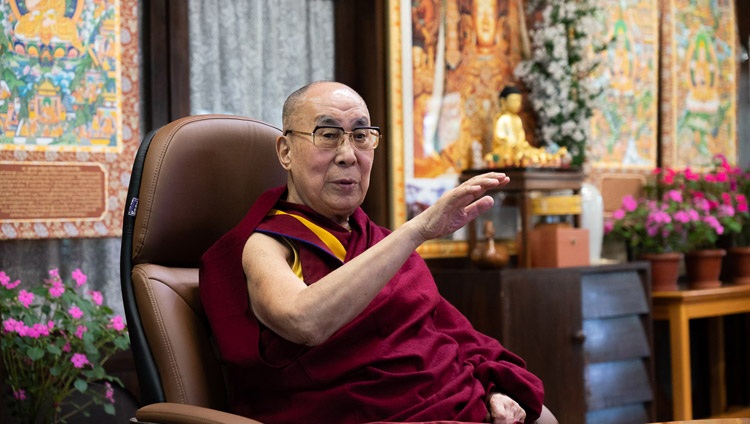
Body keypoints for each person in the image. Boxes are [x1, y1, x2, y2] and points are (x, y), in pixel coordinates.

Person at [199, 81, 545, 424]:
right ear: (286, 152)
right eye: (328, 134)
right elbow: (302, 321)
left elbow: (450, 337)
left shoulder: (375, 241)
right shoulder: (267, 244)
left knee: (542, 416)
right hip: (359, 413)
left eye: (361, 136)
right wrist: (417, 229)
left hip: (451, 400)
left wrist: (493, 389)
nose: (348, 155)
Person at [487, 86, 568, 168]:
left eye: (519, 101)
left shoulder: (517, 119)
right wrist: (514, 145)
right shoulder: (503, 119)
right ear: (504, 101)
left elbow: (521, 139)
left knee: (534, 152)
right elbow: (501, 139)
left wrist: (523, 146)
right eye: (514, 100)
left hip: (520, 148)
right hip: (508, 149)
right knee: (515, 155)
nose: (517, 104)